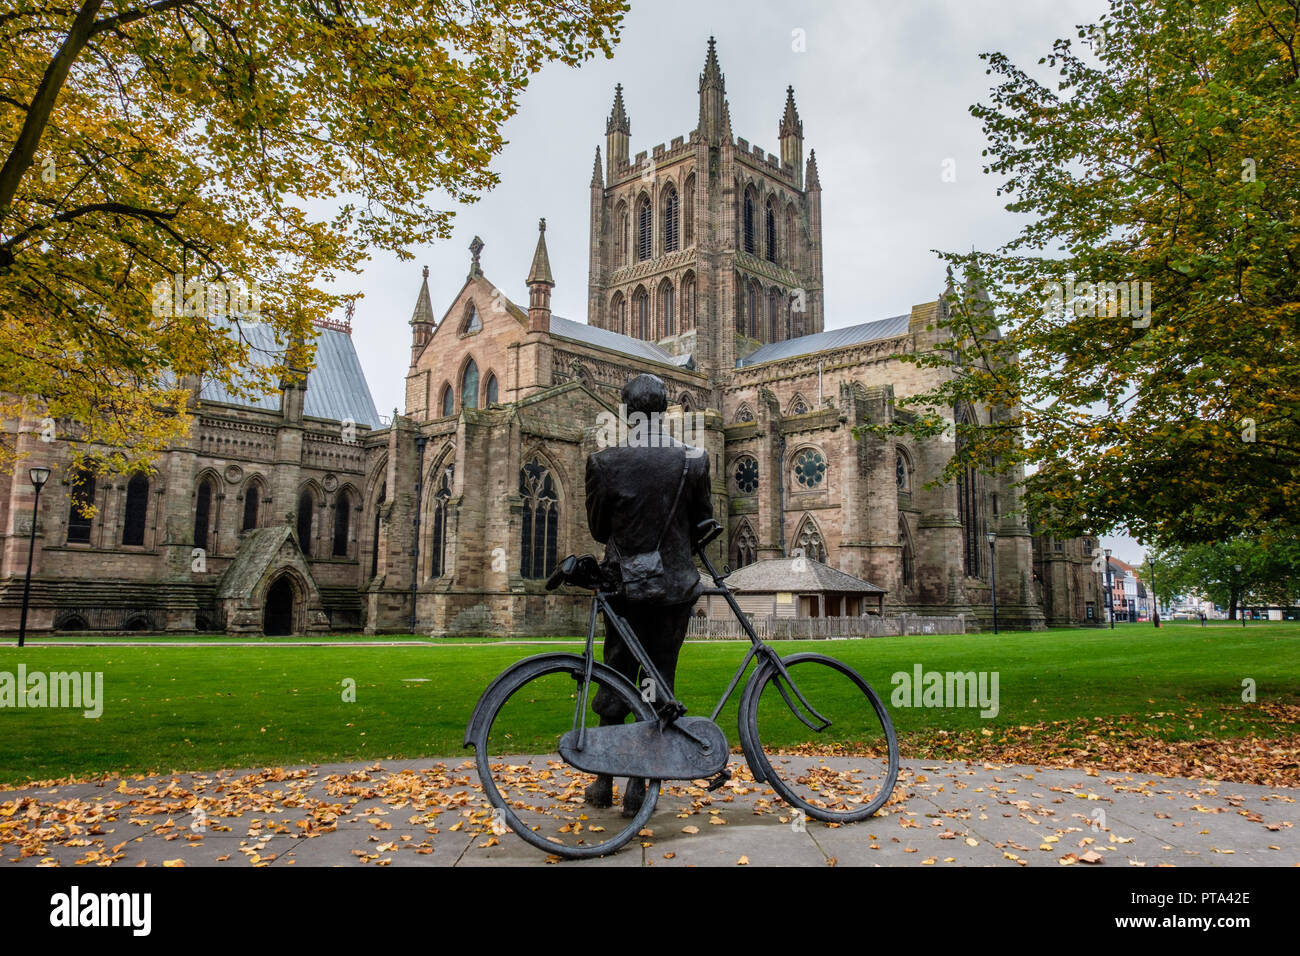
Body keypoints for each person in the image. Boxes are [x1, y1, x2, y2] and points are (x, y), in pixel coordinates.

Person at [583, 373, 713, 817]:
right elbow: (702, 525)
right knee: (658, 679)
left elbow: (600, 529)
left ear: (626, 411)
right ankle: (639, 789)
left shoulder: (604, 462)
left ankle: (602, 782)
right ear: (664, 409)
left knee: (616, 671)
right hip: (675, 587)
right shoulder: (694, 459)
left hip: (625, 587)